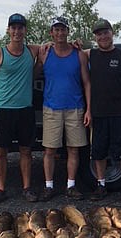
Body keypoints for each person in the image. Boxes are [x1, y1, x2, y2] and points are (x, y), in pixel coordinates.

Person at [0, 13, 39, 205]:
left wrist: (77, 44)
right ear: (8, 30)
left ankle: (27, 188)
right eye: (13, 28)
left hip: (25, 110)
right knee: (1, 151)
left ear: (25, 30)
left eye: (20, 28)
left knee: (26, 151)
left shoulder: (33, 51)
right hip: (4, 109)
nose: (17, 31)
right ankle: (1, 189)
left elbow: (57, 46)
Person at [86, 19, 121, 204]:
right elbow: (68, 51)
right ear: (95, 37)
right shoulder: (90, 55)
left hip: (120, 112)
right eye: (99, 34)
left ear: (112, 33)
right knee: (99, 152)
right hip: (98, 113)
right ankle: (101, 185)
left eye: (105, 32)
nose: (102, 36)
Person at [36, 16, 91, 201]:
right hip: (51, 107)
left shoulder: (79, 54)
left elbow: (87, 83)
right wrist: (40, 55)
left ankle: (71, 185)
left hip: (75, 107)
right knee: (49, 150)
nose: (60, 33)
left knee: (73, 149)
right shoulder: (45, 53)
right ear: (51, 32)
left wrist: (89, 109)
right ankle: (49, 186)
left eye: (63, 29)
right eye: (56, 29)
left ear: (68, 31)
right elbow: (34, 72)